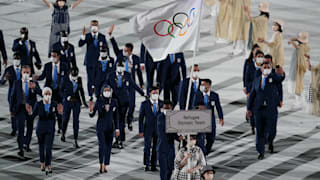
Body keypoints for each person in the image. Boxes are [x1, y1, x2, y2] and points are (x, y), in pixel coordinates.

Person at [108, 24, 144, 131]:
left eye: (126, 50)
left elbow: (139, 73)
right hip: (121, 84)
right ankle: (120, 121)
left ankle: (129, 120)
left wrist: (141, 83)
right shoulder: (120, 55)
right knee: (122, 104)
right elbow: (114, 46)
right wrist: (111, 36)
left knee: (132, 105)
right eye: (124, 50)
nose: (124, 51)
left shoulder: (136, 59)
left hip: (131, 84)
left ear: (130, 51)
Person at [246, 62, 284, 159]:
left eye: (268, 67)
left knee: (271, 130)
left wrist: (282, 73)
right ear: (261, 69)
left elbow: (281, 78)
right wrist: (249, 109)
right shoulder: (257, 80)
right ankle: (260, 151)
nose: (266, 69)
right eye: (265, 67)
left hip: (270, 109)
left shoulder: (273, 78)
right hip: (258, 110)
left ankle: (270, 142)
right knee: (259, 131)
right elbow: (252, 95)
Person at [106, 60, 145, 149]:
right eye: (119, 66)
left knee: (121, 120)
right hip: (115, 101)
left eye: (122, 66)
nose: (120, 68)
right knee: (116, 120)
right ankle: (118, 139)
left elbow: (134, 85)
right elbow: (106, 85)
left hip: (124, 101)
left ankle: (120, 140)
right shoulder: (111, 75)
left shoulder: (127, 75)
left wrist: (142, 93)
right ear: (116, 67)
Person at [26, 87, 63, 175]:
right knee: (41, 147)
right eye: (46, 94)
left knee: (49, 148)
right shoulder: (38, 104)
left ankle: (49, 164)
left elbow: (59, 117)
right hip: (41, 129)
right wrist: (30, 113)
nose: (47, 96)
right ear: (42, 95)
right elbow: (33, 116)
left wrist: (61, 113)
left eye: (49, 94)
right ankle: (42, 163)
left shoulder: (54, 104)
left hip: (50, 129)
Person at [10, 65, 42, 157]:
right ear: (21, 72)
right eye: (24, 72)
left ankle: (26, 144)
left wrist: (34, 88)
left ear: (30, 73)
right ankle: (20, 148)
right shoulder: (17, 83)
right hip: (20, 108)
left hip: (31, 109)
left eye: (27, 72)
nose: (26, 74)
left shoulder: (34, 82)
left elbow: (41, 93)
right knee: (20, 128)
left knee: (30, 127)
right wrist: (12, 109)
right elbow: (12, 97)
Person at [34, 50, 68, 134]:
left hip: (59, 91)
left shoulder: (64, 66)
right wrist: (36, 78)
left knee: (59, 110)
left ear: (58, 56)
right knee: (50, 109)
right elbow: (43, 76)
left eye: (54, 56)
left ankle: (60, 127)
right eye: (51, 56)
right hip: (49, 91)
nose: (52, 58)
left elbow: (67, 79)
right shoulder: (47, 66)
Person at [89, 84, 120, 173]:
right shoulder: (99, 101)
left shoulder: (114, 101)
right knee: (102, 146)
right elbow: (92, 114)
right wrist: (91, 109)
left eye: (108, 90)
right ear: (102, 91)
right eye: (105, 90)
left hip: (110, 127)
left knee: (108, 147)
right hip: (101, 127)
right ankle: (101, 164)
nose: (107, 92)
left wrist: (117, 128)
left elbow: (116, 116)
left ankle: (106, 164)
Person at [79, 20, 109, 100]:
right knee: (90, 79)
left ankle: (97, 94)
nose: (94, 27)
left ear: (98, 26)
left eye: (96, 25)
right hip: (89, 62)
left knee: (97, 79)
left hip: (99, 62)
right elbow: (80, 44)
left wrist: (107, 59)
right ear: (90, 27)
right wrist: (82, 36)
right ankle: (90, 95)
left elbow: (106, 48)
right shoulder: (87, 36)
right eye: (92, 25)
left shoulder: (102, 37)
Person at [193, 79, 224, 155]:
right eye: (201, 85)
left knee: (211, 138)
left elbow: (218, 107)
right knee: (200, 138)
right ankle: (201, 152)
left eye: (204, 85)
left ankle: (206, 150)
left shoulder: (214, 95)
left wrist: (221, 117)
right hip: (200, 120)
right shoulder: (197, 95)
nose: (202, 86)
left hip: (211, 120)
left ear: (209, 86)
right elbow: (193, 106)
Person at [60, 67, 87, 148]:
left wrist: (84, 102)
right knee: (65, 118)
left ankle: (75, 139)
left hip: (76, 102)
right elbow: (60, 91)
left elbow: (81, 90)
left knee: (76, 121)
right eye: (73, 75)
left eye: (76, 75)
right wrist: (67, 97)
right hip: (67, 102)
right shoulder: (64, 79)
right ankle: (63, 133)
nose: (74, 77)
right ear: (70, 73)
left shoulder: (79, 79)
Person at [139, 85, 163, 171]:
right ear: (150, 93)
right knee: (147, 147)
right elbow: (141, 118)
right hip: (148, 129)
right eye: (154, 93)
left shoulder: (162, 103)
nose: (155, 94)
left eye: (157, 93)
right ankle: (146, 164)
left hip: (158, 130)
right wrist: (141, 130)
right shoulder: (144, 104)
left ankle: (153, 164)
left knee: (156, 148)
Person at [1, 53, 22, 136]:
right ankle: (14, 129)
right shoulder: (9, 69)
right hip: (12, 94)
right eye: (15, 59)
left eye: (18, 59)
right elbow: (2, 81)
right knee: (12, 111)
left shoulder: (24, 68)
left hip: (22, 93)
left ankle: (20, 127)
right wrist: (5, 78)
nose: (16, 60)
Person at [244, 49, 264, 134]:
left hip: (261, 94)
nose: (260, 58)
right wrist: (248, 90)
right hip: (252, 92)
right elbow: (246, 79)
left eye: (261, 57)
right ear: (255, 58)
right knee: (251, 109)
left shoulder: (265, 67)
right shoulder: (250, 66)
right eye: (258, 57)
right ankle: (253, 125)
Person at [288, 32, 311, 106]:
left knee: (297, 85)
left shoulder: (301, 47)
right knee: (298, 84)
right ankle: (299, 100)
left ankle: (300, 101)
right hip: (298, 66)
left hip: (298, 67)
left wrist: (292, 41)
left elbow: (296, 46)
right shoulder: (304, 46)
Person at [157, 100, 178, 180]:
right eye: (165, 108)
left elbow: (175, 133)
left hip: (170, 148)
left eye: (168, 108)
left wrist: (180, 138)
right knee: (163, 170)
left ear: (171, 108)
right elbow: (165, 131)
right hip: (162, 148)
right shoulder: (160, 118)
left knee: (170, 168)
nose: (166, 109)